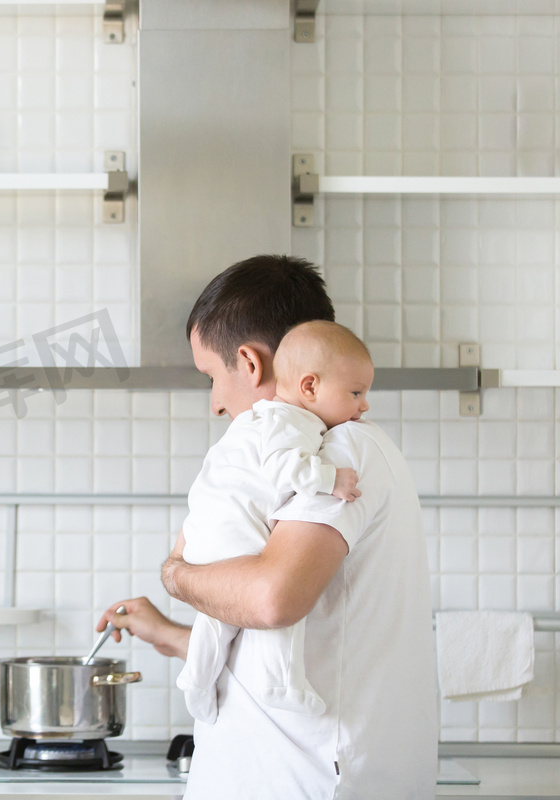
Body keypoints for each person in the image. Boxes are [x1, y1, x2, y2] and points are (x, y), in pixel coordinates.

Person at [97, 255, 437, 799]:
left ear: (250, 364)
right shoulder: (319, 449)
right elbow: (300, 644)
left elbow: (272, 600)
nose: (214, 403)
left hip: (306, 782)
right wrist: (172, 635)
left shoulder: (341, 450)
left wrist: (177, 574)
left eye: (211, 376)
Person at [176, 320, 374, 725]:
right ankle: (284, 683)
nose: (365, 405)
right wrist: (330, 478)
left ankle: (195, 680)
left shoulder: (264, 419)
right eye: (356, 393)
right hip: (237, 535)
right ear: (310, 387)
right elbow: (286, 470)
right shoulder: (292, 421)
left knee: (217, 621)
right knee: (280, 603)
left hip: (207, 535)